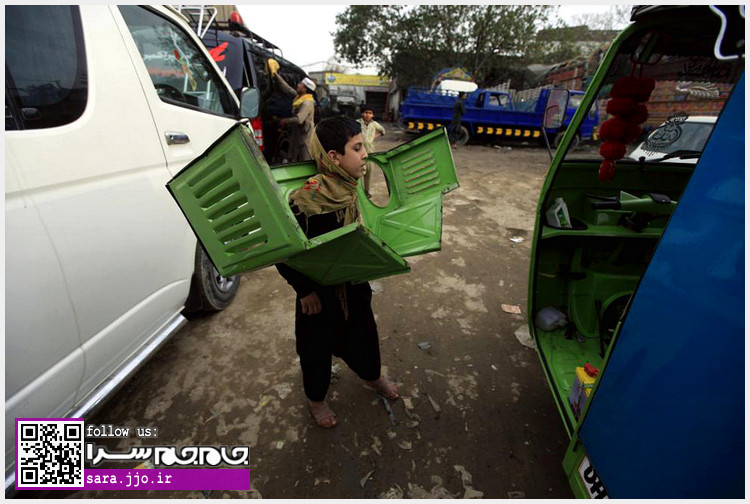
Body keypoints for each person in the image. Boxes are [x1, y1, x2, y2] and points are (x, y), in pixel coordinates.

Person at [275, 116, 399, 429]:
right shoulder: (307, 200)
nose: (365, 154)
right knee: (315, 351)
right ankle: (316, 399)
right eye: (357, 148)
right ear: (334, 157)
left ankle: (371, 376)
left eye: (364, 146)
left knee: (364, 337)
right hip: (317, 297)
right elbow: (282, 250)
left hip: (352, 287)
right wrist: (304, 290)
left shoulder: (349, 188)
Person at [268, 58, 316, 162]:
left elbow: (299, 119)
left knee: (304, 162)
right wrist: (275, 74)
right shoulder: (299, 98)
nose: (298, 85)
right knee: (294, 160)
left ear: (305, 89)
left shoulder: (307, 103)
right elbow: (286, 88)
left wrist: (284, 121)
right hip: (296, 136)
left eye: (300, 84)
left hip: (304, 139)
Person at [356, 104, 386, 197]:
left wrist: (373, 138)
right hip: (358, 151)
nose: (368, 115)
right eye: (366, 112)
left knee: (368, 172)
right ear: (362, 113)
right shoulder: (357, 123)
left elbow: (383, 131)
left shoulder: (374, 124)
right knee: (357, 171)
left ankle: (366, 191)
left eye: (370, 113)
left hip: (370, 152)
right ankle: (357, 191)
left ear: (372, 115)